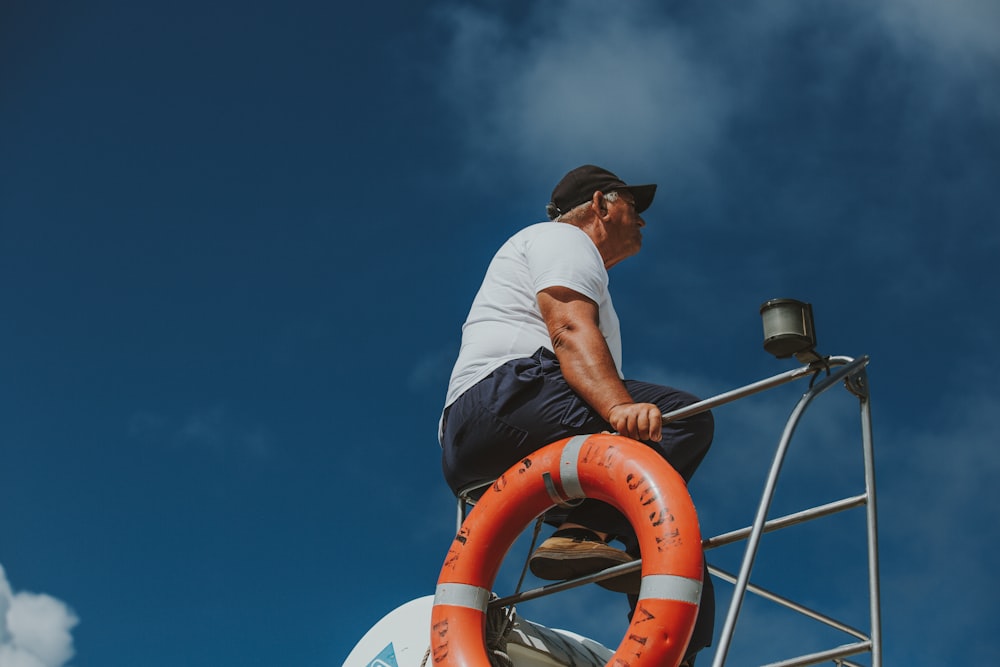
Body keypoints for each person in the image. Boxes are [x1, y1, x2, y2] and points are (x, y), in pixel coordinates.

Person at [439, 164, 715, 665]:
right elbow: (567, 328)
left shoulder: (577, 266)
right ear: (601, 203)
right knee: (683, 417)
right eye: (635, 206)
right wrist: (620, 407)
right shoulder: (562, 241)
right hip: (506, 398)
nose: (643, 222)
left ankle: (684, 654)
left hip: (470, 443)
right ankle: (581, 533)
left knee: (674, 534)